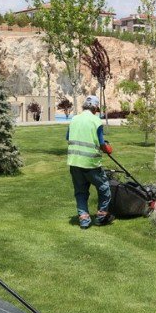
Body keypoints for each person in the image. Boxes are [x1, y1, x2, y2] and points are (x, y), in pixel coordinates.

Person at [66, 95, 115, 229]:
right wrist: (108, 148)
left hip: (74, 162)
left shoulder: (74, 119)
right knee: (104, 188)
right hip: (91, 163)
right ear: (95, 108)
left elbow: (68, 138)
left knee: (80, 192)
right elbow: (101, 144)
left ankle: (84, 220)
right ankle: (101, 216)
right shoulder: (96, 121)